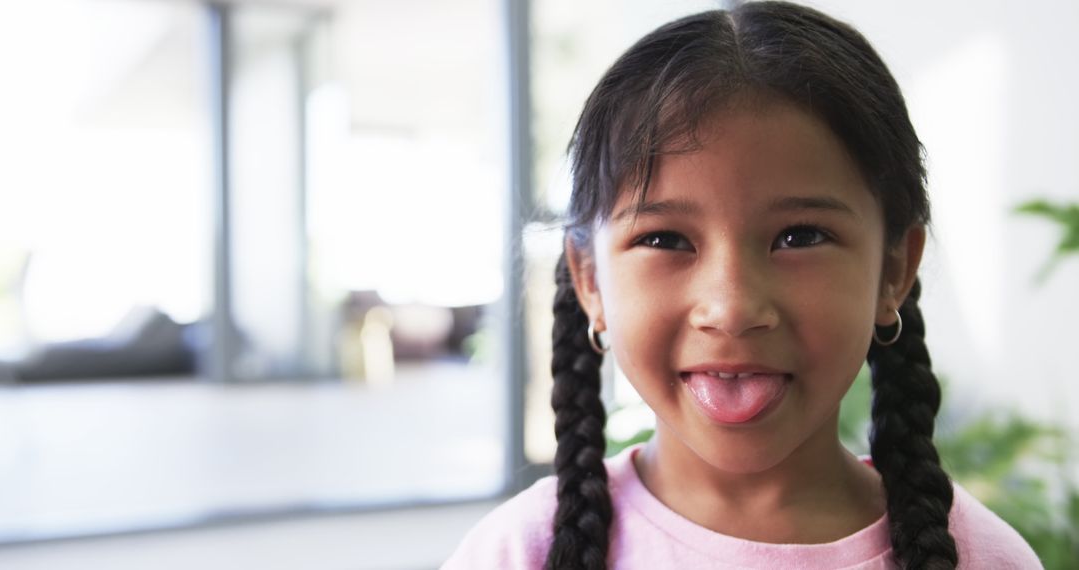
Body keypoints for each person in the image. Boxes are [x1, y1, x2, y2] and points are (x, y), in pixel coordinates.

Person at [444, 2, 1042, 568]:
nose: (731, 308)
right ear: (591, 281)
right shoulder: (515, 554)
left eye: (800, 237)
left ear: (893, 271)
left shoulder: (986, 557)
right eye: (666, 240)